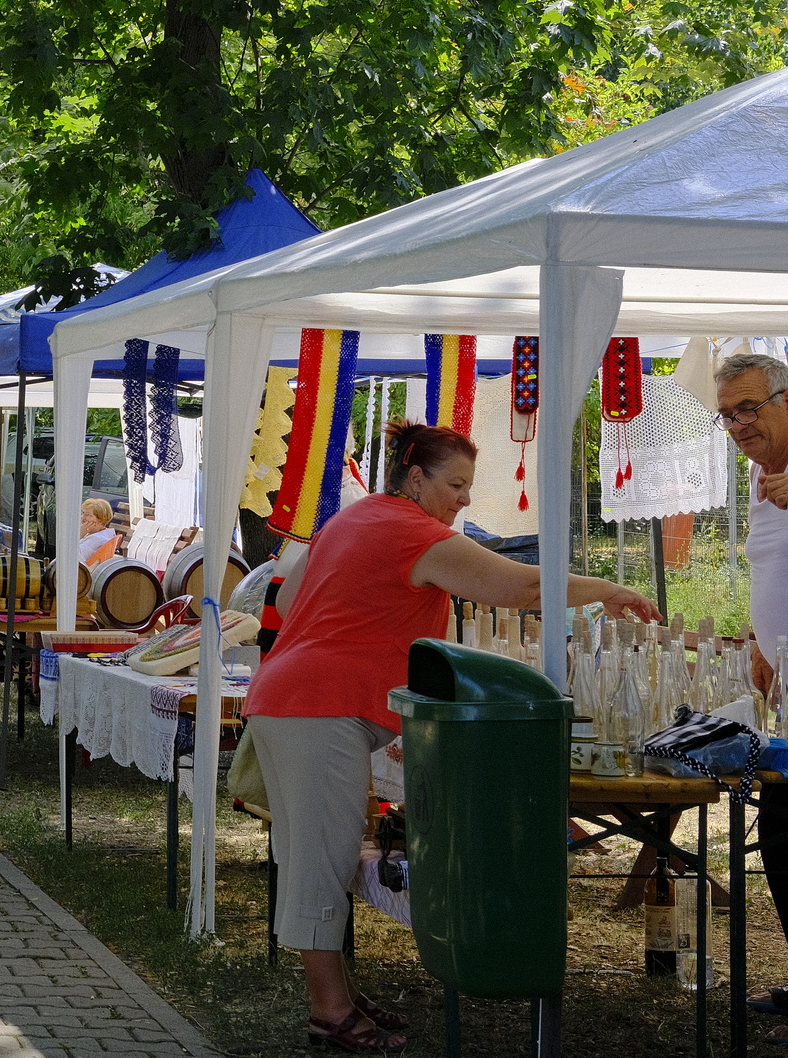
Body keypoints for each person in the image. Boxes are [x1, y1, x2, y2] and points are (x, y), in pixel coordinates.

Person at [245, 420, 656, 1053]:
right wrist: (608, 589)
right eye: (456, 484)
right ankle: (329, 1011)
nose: (464, 499)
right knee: (319, 862)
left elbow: (294, 590)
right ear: (416, 478)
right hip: (315, 707)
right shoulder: (410, 529)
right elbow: (517, 585)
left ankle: (341, 996)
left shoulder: (353, 519)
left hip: (297, 698)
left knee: (317, 853)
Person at [712, 353, 788, 1036]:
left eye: (748, 407)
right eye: (726, 414)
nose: (738, 424)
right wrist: (757, 642)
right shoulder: (757, 475)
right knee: (784, 840)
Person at [77, 498, 119, 565]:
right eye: (83, 513)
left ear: (101, 519)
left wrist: (78, 535)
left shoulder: (97, 539)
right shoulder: (100, 534)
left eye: (88, 515)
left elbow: (72, 557)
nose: (83, 517)